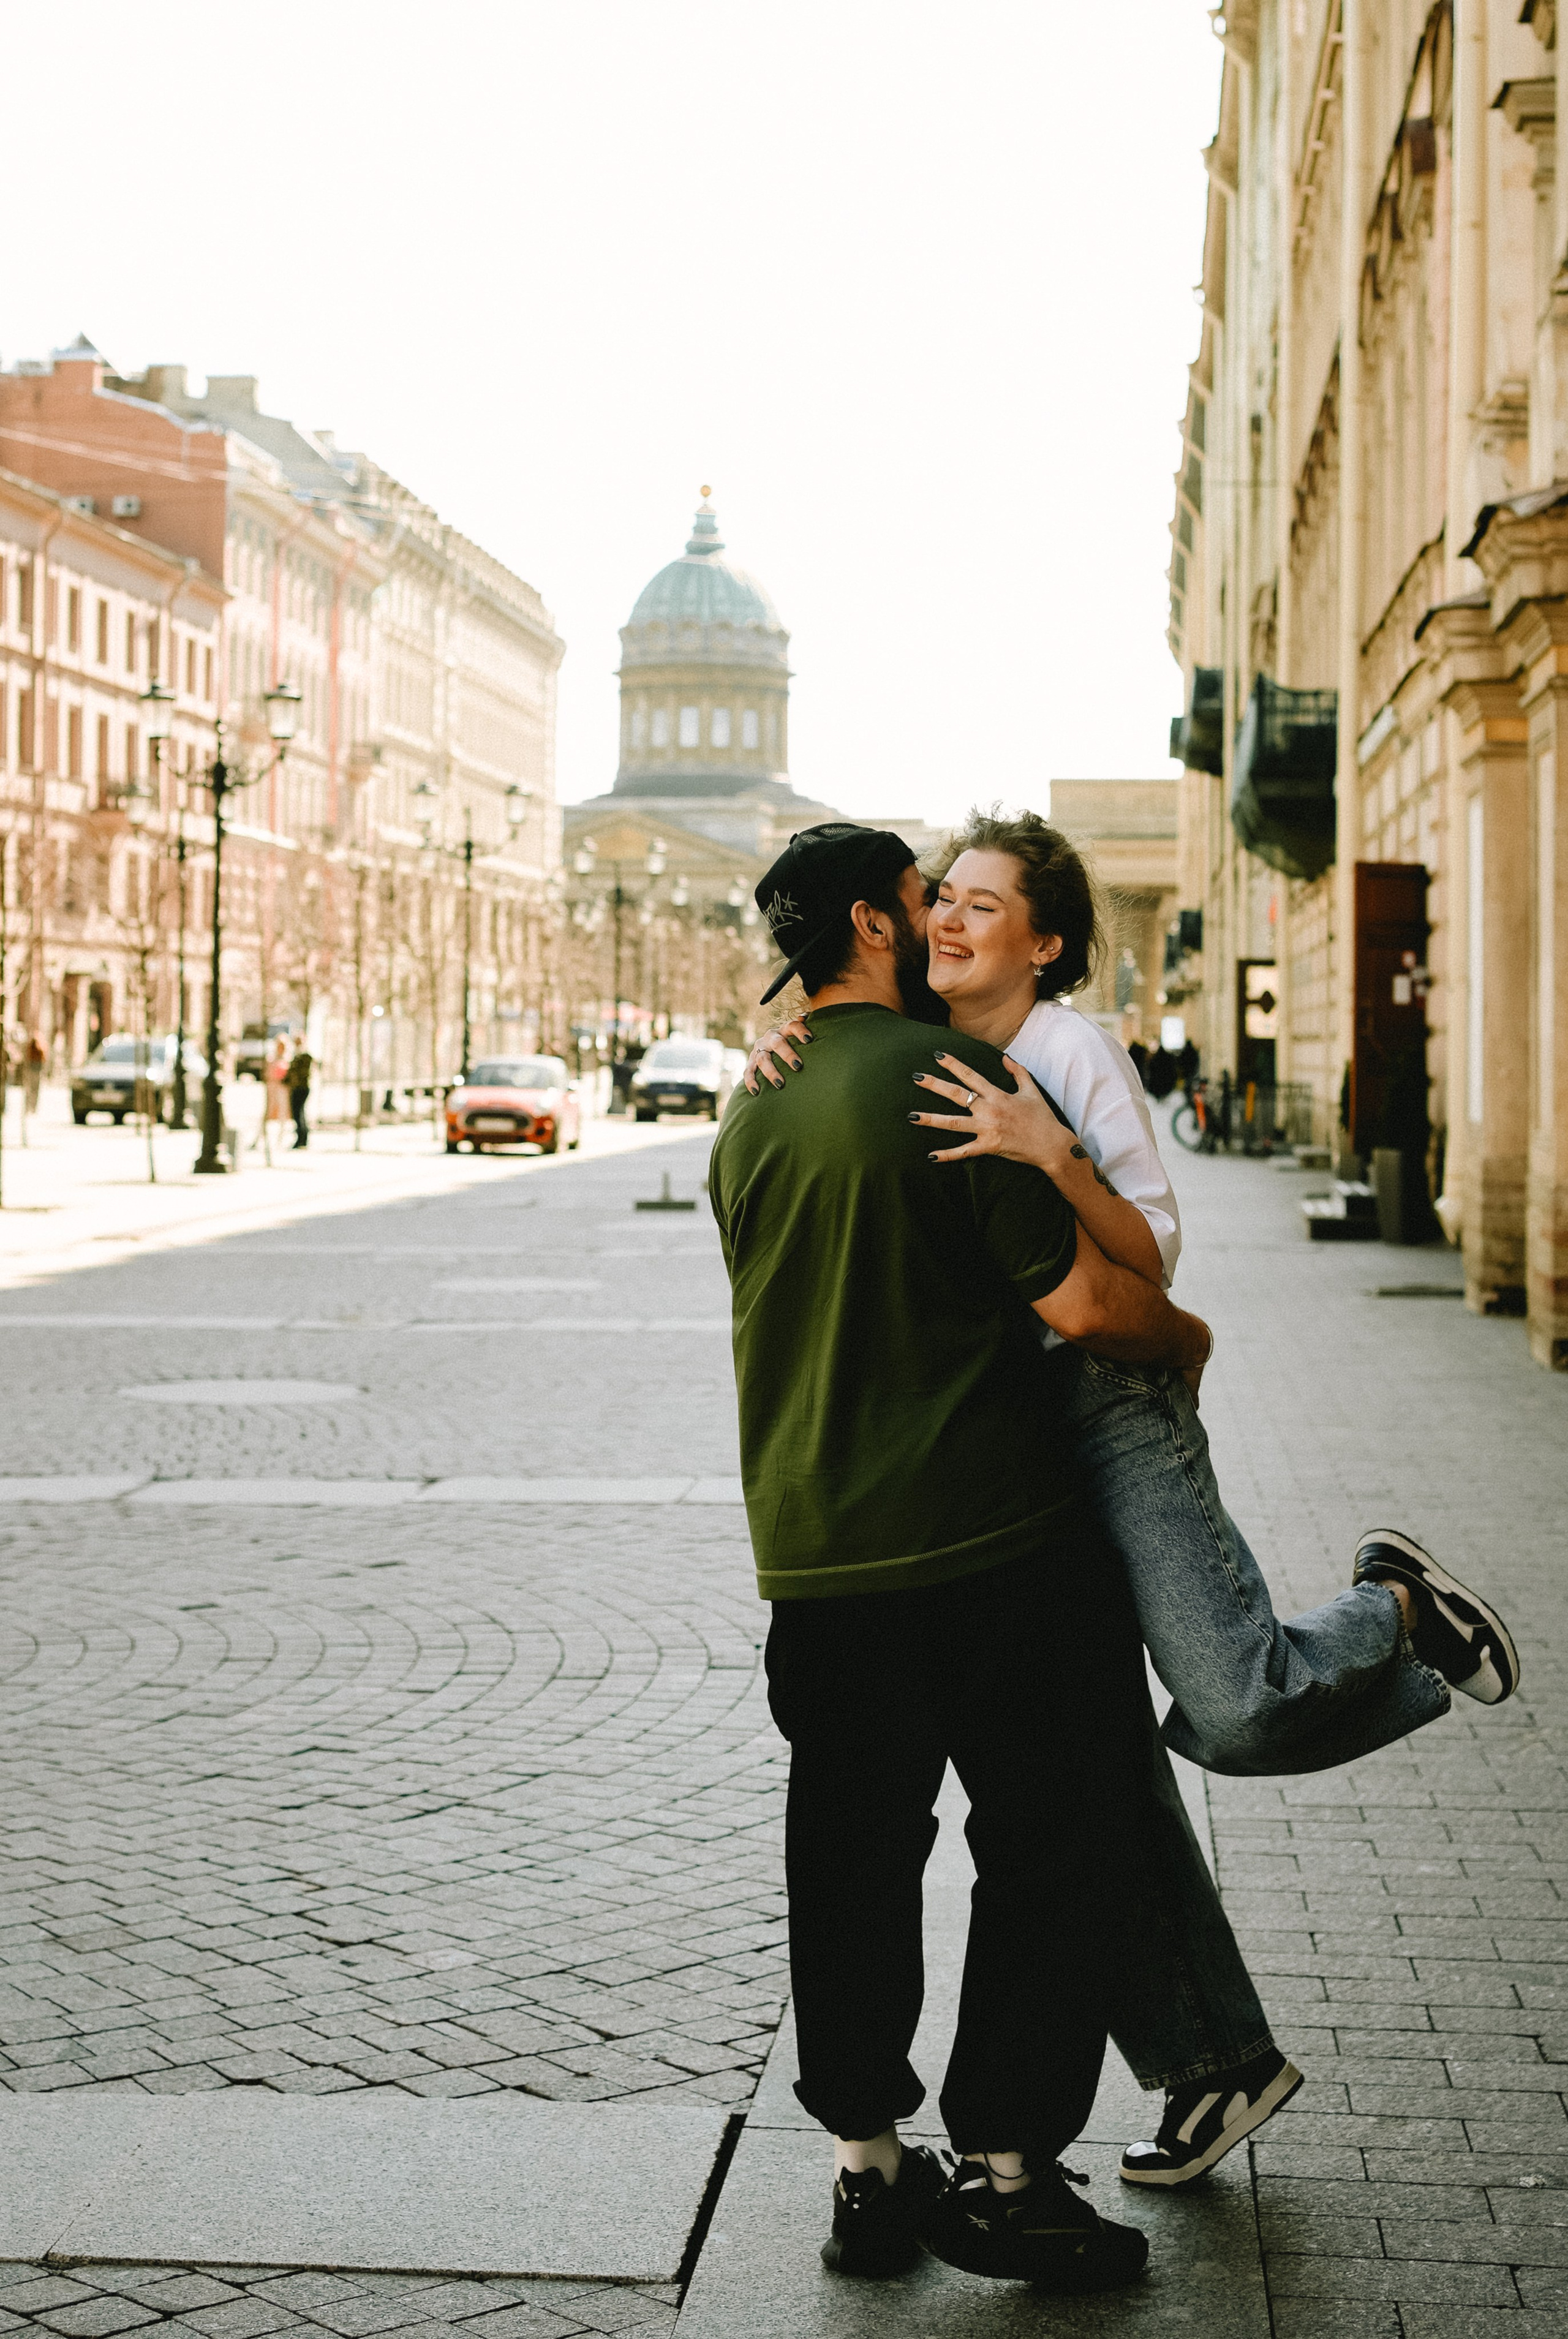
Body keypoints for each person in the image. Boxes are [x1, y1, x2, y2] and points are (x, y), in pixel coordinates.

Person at [745, 805, 1520, 2188]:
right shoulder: (915, 1047)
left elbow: (1144, 1268)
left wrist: (1053, 1155)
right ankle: (1216, 2057)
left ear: (1044, 946)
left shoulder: (1061, 1052)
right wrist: (782, 1036)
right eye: (940, 898)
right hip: (1003, 1434)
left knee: (1225, 1701)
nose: (948, 918)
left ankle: (1390, 1604)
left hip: (1105, 1398)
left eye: (982, 904)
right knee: (1088, 1759)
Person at [712, 823, 1216, 2292]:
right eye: (923, 900)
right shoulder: (955, 1083)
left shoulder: (753, 1109)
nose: (937, 921)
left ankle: (866, 2176)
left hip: (812, 1554)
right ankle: (1005, 2172)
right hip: (990, 1542)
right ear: (874, 922)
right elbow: (1083, 1305)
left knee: (849, 1854)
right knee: (1055, 1840)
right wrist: (1180, 1339)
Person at [287, 1040, 314, 1150]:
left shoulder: (304, 1057)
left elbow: (300, 1073)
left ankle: (302, 1139)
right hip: (297, 1087)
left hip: (301, 1088)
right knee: (298, 1114)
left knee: (299, 1113)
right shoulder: (298, 1056)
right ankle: (301, 1138)